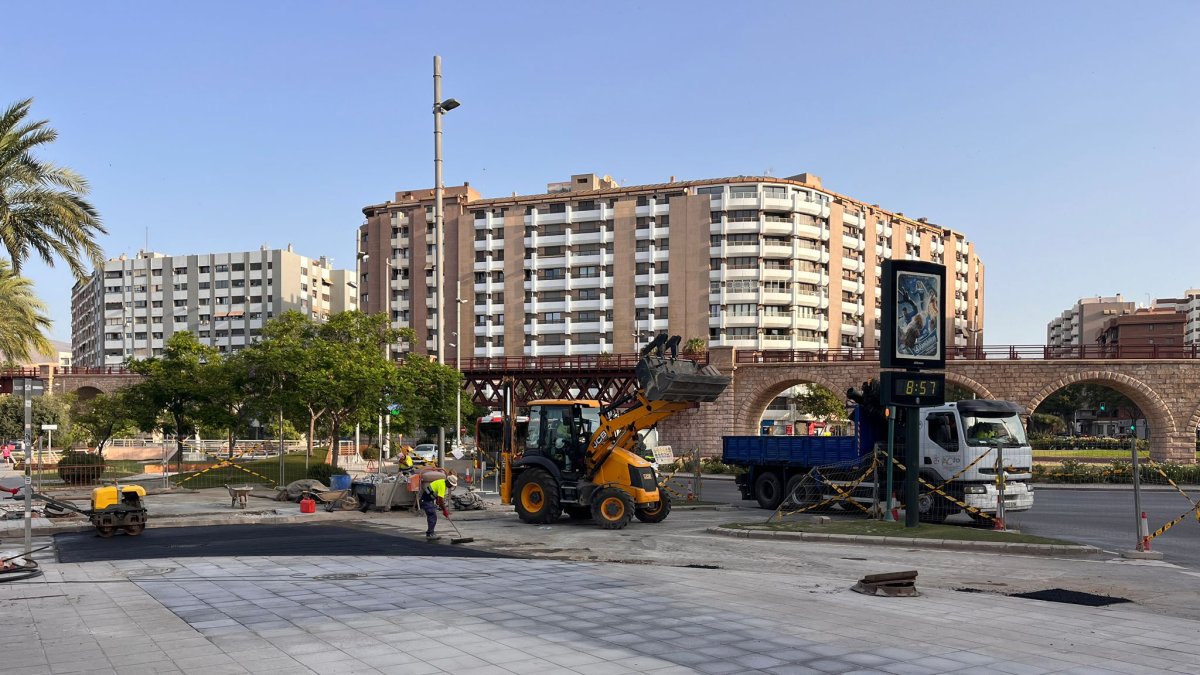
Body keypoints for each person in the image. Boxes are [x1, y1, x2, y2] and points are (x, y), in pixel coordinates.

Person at [419, 473, 458, 540]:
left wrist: (437, 499)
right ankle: (430, 534)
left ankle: (431, 533)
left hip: (428, 500)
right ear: (448, 482)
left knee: (432, 516)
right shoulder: (442, 486)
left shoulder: (442, 482)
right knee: (432, 515)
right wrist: (444, 510)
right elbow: (441, 500)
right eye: (451, 485)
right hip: (426, 501)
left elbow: (437, 493)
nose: (451, 486)